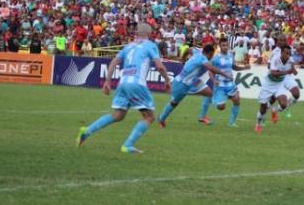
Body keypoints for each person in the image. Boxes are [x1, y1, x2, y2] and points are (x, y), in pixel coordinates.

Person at [76, 23, 171, 154]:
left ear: (137, 33)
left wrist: (107, 81)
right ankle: (128, 145)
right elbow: (160, 66)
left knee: (118, 115)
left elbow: (114, 62)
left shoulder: (128, 46)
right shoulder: (150, 45)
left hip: (123, 83)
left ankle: (86, 131)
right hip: (136, 84)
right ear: (149, 34)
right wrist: (167, 80)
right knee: (149, 117)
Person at [158, 44, 232, 128]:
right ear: (210, 53)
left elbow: (188, 49)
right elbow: (210, 68)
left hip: (194, 81)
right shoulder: (203, 58)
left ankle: (202, 116)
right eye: (212, 55)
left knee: (209, 93)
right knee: (174, 103)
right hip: (182, 83)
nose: (211, 57)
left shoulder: (196, 51)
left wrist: (183, 59)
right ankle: (161, 119)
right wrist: (224, 74)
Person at [198, 37, 250, 127]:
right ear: (220, 46)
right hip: (220, 85)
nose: (225, 47)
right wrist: (214, 81)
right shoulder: (216, 58)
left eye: (226, 45)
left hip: (230, 84)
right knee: (221, 107)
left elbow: (234, 67)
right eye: (223, 45)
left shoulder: (231, 55)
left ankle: (231, 123)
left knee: (237, 100)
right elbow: (210, 71)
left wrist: (244, 68)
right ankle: (211, 99)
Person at [255, 45, 297, 133]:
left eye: (289, 54)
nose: (288, 55)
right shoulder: (275, 59)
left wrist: (293, 69)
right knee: (263, 107)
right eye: (286, 53)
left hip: (279, 84)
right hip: (268, 84)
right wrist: (287, 71)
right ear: (281, 53)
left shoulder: (290, 60)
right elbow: (274, 73)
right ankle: (258, 124)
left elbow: (294, 72)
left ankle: (274, 110)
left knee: (284, 104)